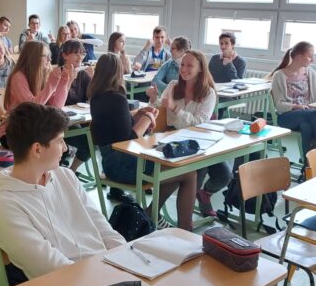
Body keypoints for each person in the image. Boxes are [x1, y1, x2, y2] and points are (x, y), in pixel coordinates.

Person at [0, 102, 125, 279]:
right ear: (37, 149)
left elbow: (100, 225)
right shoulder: (5, 205)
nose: (65, 148)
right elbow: (50, 267)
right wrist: (103, 275)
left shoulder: (65, 176)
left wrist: (125, 257)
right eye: (60, 141)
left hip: (103, 270)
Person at [89, 53, 198, 230]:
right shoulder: (117, 98)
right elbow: (129, 140)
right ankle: (185, 229)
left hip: (110, 162)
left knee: (176, 170)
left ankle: (152, 212)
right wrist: (147, 117)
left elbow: (117, 129)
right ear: (118, 73)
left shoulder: (97, 98)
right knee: (188, 173)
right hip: (122, 163)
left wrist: (138, 115)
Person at [146, 50, 230, 218]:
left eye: (190, 65)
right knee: (198, 169)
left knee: (224, 175)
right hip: (174, 139)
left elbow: (198, 124)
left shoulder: (208, 93)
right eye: (182, 65)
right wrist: (154, 99)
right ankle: (184, 217)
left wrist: (175, 108)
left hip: (200, 141)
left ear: (200, 68)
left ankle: (204, 194)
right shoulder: (173, 85)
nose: (184, 69)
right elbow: (162, 107)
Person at [270, 41, 316, 156]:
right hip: (286, 117)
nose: (312, 60)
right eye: (310, 56)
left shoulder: (310, 72)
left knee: (306, 127)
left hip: (307, 116)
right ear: (299, 57)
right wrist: (297, 106)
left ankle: (308, 164)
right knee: (313, 114)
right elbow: (279, 105)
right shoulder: (279, 75)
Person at [0, 41, 71, 147]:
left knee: (60, 145)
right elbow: (31, 108)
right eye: (45, 56)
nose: (49, 60)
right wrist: (51, 85)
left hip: (33, 129)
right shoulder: (18, 77)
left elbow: (56, 107)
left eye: (49, 56)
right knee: (55, 147)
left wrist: (63, 83)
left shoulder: (43, 74)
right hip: (12, 132)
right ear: (33, 58)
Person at [61, 40, 94, 172]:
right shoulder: (58, 73)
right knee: (88, 142)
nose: (80, 57)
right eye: (76, 53)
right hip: (62, 121)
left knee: (96, 138)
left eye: (82, 54)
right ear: (65, 55)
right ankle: (69, 171)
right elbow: (58, 101)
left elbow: (92, 97)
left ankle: (72, 170)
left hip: (80, 117)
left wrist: (94, 79)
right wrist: (69, 80)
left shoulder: (82, 73)